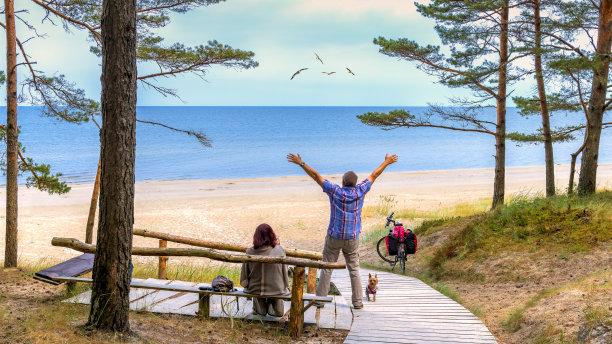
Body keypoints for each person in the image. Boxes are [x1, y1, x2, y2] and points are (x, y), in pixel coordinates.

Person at [287, 153, 398, 309]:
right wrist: (387, 162)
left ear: (343, 182)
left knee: (327, 267)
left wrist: (301, 163)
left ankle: (320, 301)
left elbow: (316, 176)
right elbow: (374, 174)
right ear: (355, 183)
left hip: (334, 236)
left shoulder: (335, 191)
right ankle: (358, 303)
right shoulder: (360, 191)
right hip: (352, 238)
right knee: (354, 270)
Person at [240, 223, 290, 317]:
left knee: (260, 311)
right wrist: (285, 285)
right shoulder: (280, 250)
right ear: (272, 235)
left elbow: (244, 273)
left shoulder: (250, 251)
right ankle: (273, 304)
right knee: (278, 311)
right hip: (276, 289)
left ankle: (260, 308)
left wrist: (246, 284)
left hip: (256, 288)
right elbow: (284, 271)